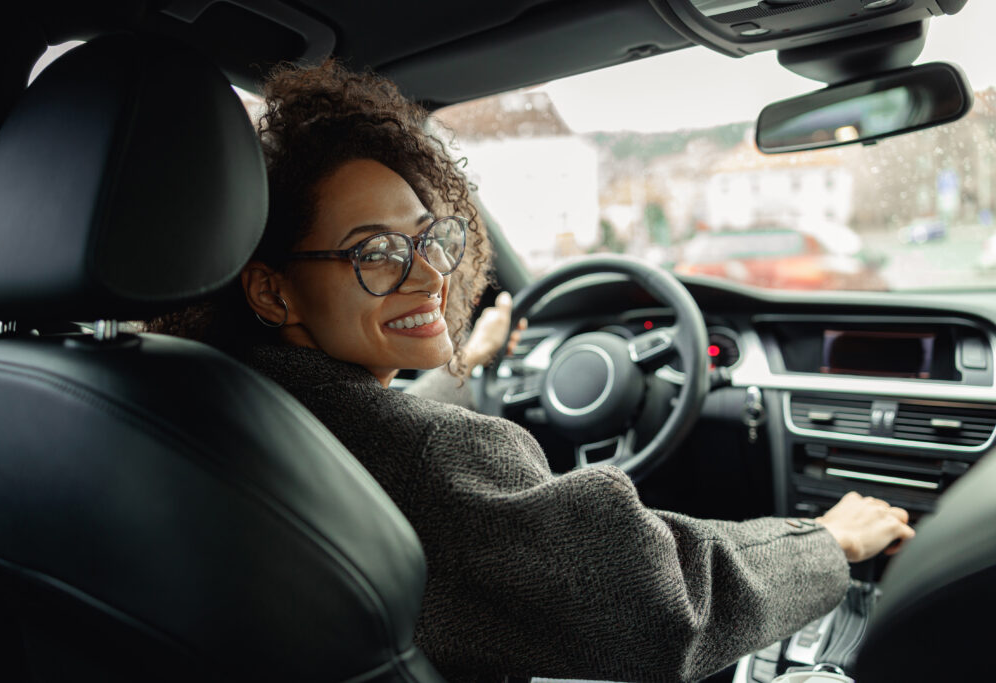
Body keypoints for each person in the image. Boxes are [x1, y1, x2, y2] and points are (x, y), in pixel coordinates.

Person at [149, 59, 915, 682]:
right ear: (271, 288)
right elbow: (662, 612)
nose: (427, 277)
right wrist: (825, 539)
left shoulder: (193, 398)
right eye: (374, 252)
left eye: (431, 238)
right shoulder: (438, 460)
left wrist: (469, 363)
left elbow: (380, 437)